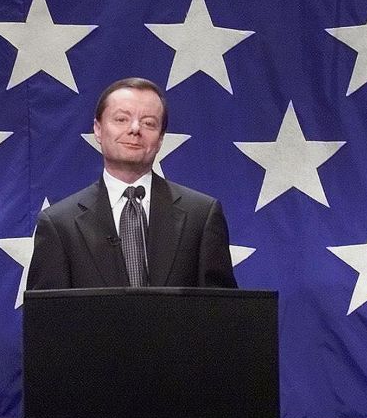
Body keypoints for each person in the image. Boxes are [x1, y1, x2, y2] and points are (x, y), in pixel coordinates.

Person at [27, 77, 237, 291]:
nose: (135, 129)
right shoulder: (59, 224)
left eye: (149, 123)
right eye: (121, 119)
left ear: (161, 138)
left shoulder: (201, 215)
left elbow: (221, 313)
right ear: (98, 130)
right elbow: (46, 319)